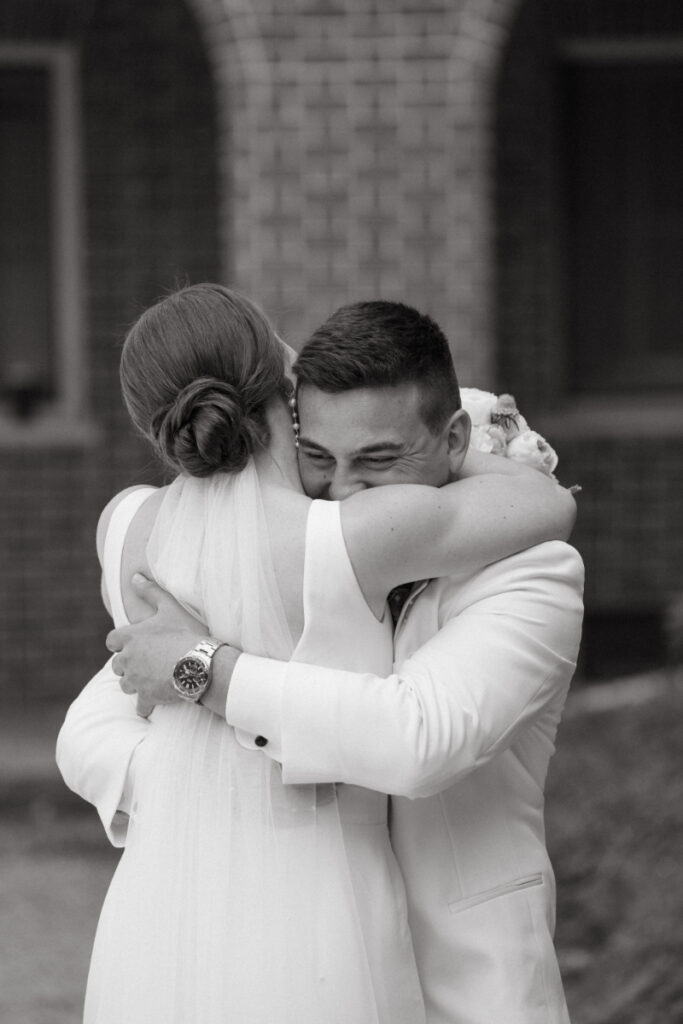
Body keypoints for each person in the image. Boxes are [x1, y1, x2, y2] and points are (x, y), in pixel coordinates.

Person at [57, 289, 580, 1024]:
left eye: (376, 458)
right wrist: (205, 783)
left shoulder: (128, 531)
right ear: (284, 387)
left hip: (455, 978)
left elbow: (418, 738)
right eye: (317, 455)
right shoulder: (346, 540)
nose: (340, 490)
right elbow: (91, 726)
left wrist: (205, 676)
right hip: (314, 916)